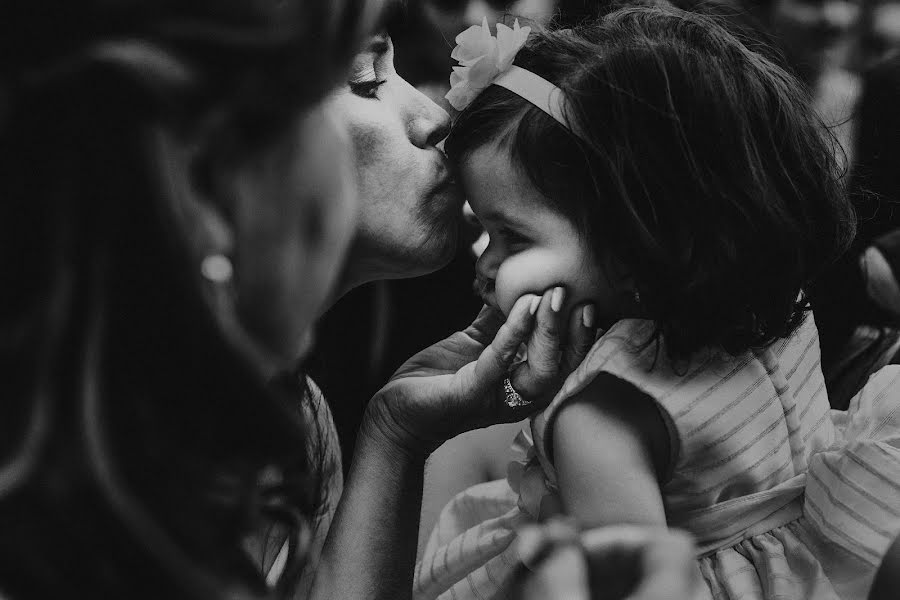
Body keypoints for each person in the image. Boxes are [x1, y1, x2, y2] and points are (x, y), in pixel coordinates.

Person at [415, 8, 900, 600]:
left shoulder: (599, 420)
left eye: (512, 238)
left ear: (637, 241)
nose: (485, 264)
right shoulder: (767, 300)